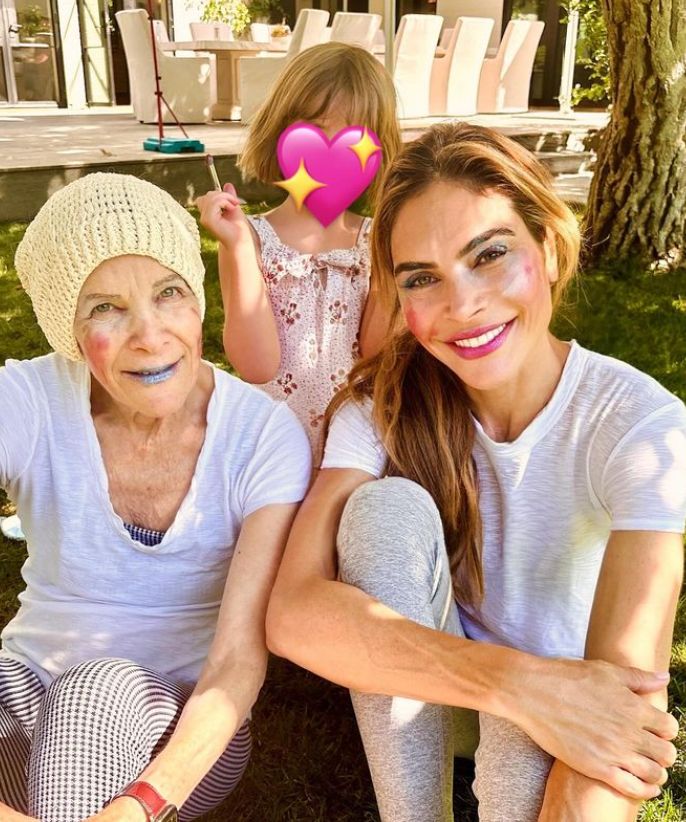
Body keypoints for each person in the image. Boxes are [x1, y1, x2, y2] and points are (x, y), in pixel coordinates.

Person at [266, 123, 686, 822]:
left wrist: (538, 697)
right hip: (425, 689)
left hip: (559, 718)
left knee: (536, 725)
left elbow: (623, 712)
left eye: (488, 255)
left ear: (548, 249)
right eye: (423, 279)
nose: (462, 306)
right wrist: (514, 684)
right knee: (384, 510)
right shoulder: (384, 406)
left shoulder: (641, 427)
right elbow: (292, 612)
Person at [0, 172, 311, 822]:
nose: (150, 333)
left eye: (169, 293)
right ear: (68, 330)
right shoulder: (29, 399)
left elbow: (234, 663)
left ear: (197, 301)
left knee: (95, 694)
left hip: (179, 732)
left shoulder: (260, 434)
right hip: (25, 686)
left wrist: (138, 806)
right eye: (105, 307)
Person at [197, 42, 402, 464]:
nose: (329, 150)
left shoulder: (373, 241)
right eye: (314, 127)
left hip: (356, 448)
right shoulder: (249, 238)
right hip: (273, 449)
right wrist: (236, 248)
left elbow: (378, 353)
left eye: (351, 136)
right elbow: (256, 366)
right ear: (280, 131)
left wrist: (390, 256)